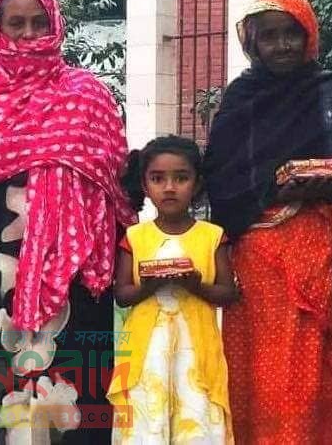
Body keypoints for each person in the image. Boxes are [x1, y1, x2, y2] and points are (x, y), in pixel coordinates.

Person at [0, 0, 134, 443]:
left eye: (38, 23)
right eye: (16, 24)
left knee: (77, 386)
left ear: (55, 25)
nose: (28, 34)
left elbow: (115, 180)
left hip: (75, 270)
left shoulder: (87, 94)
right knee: (0, 378)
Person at [200, 0, 332, 443]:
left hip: (318, 245)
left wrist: (326, 183)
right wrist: (271, 187)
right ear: (253, 44)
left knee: (315, 367)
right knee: (259, 370)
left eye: (291, 34)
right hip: (256, 256)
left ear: (309, 35)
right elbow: (222, 173)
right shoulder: (241, 98)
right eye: (269, 37)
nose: (282, 46)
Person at [109, 135, 237, 444]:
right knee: (147, 421)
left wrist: (196, 286)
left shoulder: (212, 236)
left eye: (181, 178)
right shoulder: (135, 236)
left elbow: (228, 293)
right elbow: (121, 295)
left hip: (195, 353)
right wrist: (149, 287)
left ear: (197, 183)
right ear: (145, 185)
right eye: (158, 179)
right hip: (146, 352)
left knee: (195, 417)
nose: (169, 187)